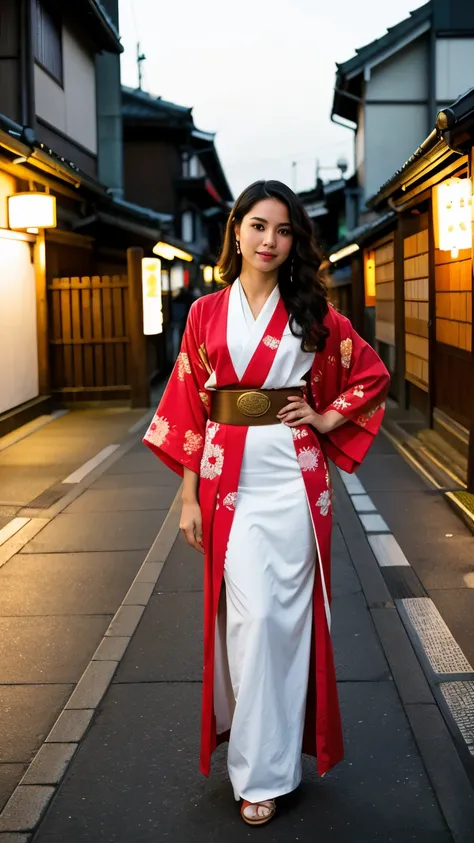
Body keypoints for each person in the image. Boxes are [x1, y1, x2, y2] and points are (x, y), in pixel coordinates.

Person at [143, 180, 390, 826]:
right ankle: (256, 766)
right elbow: (190, 405)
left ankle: (271, 770)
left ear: (294, 241)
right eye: (258, 226)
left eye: (283, 231)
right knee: (250, 625)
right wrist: (188, 495)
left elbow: (369, 373)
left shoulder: (312, 310)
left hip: (294, 480)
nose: (270, 241)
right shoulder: (204, 313)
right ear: (236, 231)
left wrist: (326, 416)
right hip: (231, 483)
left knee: (285, 627)